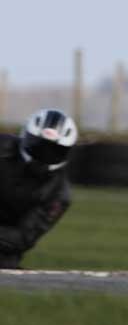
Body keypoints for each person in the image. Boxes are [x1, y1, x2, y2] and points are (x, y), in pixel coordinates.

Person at [0, 109, 77, 269]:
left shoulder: (59, 194)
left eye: (54, 151)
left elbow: (24, 238)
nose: (44, 154)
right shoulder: (3, 148)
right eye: (38, 146)